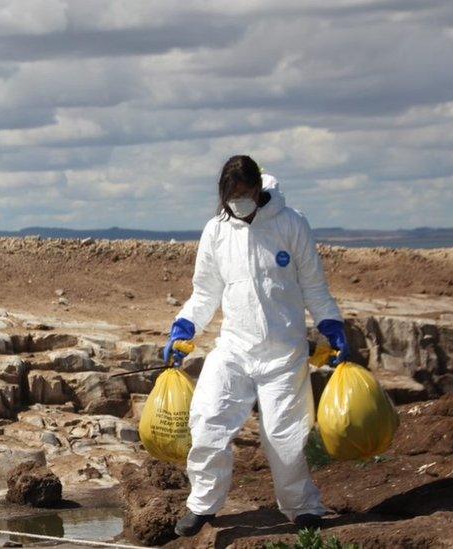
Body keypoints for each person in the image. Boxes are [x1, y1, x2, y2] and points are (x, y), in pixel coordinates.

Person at [165, 155, 349, 536]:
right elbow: (205, 293)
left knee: (284, 435)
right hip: (234, 348)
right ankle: (202, 504)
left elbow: (314, 285)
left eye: (245, 195)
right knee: (207, 418)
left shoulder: (291, 224)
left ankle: (302, 508)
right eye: (231, 198)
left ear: (258, 190)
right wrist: (183, 329)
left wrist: (331, 325)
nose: (239, 204)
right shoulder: (217, 231)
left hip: (284, 353)